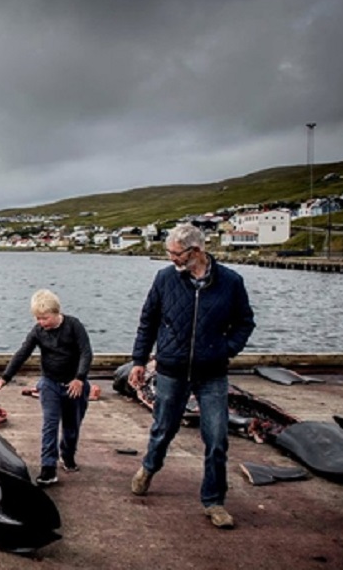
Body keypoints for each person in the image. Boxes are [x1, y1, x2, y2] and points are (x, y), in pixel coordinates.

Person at [128, 223, 255, 529]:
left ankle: (214, 501)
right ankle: (149, 467)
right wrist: (138, 360)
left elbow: (245, 322)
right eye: (169, 252)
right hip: (171, 370)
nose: (171, 258)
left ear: (196, 251)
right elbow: (148, 321)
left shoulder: (231, 282)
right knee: (163, 429)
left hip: (212, 373)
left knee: (217, 438)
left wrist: (226, 349)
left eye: (176, 253)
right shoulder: (165, 278)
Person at [0, 289, 93, 486]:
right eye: (38, 318)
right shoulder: (38, 331)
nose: (41, 322)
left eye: (45, 318)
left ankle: (67, 455)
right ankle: (48, 468)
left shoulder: (74, 326)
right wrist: (4, 378)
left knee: (71, 426)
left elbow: (86, 353)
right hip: (50, 383)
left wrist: (80, 378)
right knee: (49, 425)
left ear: (56, 313)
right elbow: (22, 353)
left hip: (74, 385)